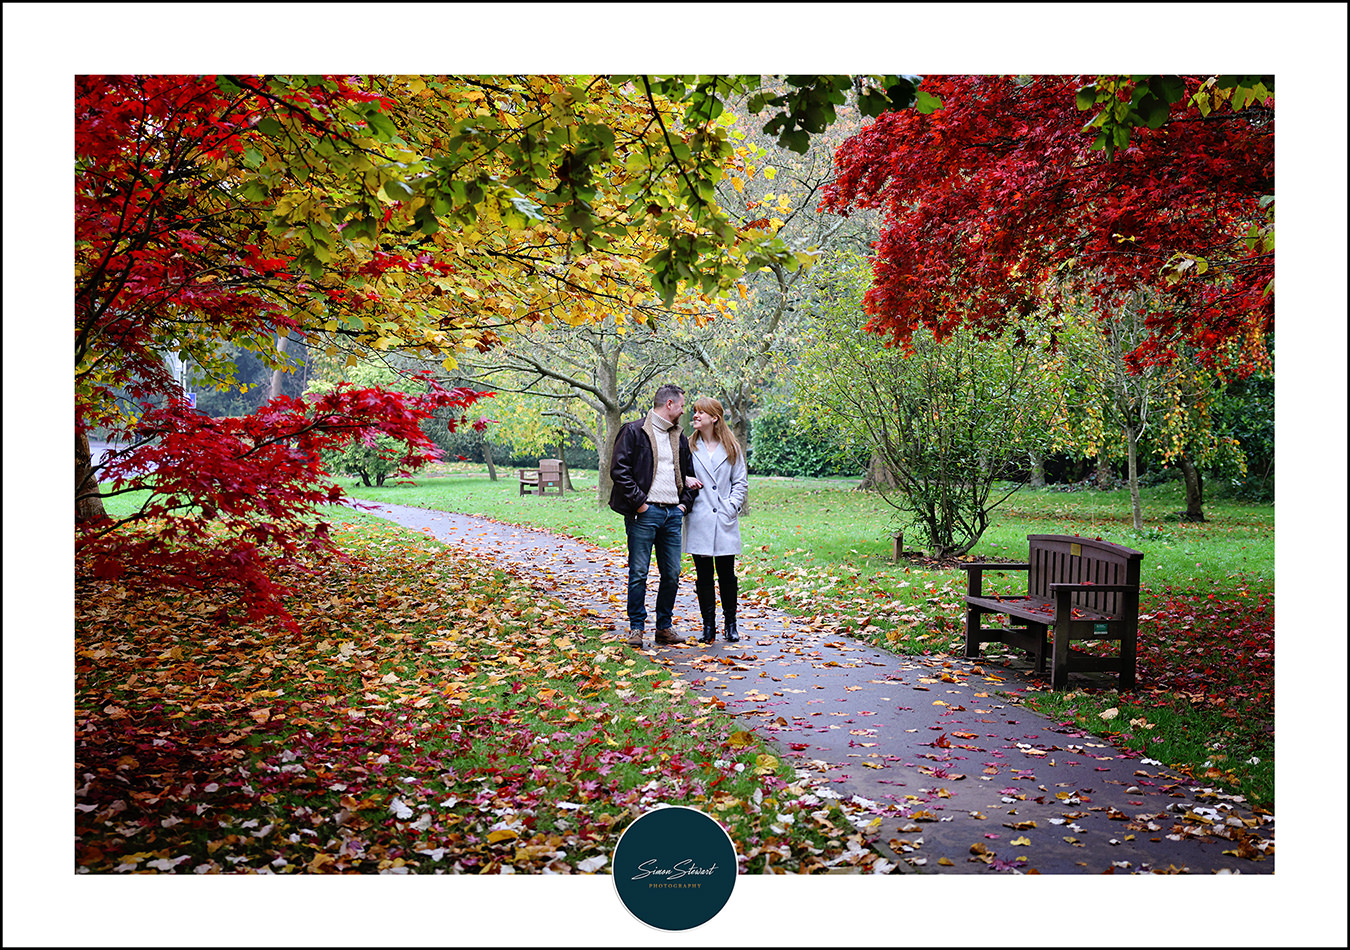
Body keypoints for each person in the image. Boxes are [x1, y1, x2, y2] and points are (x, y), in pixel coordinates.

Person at [608, 384, 702, 649]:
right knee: (639, 572)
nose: (685, 410)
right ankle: (636, 628)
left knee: (672, 573)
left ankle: (663, 627)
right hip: (644, 513)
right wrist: (641, 505)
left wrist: (683, 506)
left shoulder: (679, 437)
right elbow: (620, 471)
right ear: (669, 404)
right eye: (682, 405)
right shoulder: (634, 431)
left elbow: (686, 472)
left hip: (672, 513)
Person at [683, 397, 749, 644]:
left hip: (723, 517)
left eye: (701, 412)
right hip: (699, 517)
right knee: (703, 576)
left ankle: (730, 624)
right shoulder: (688, 446)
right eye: (694, 412)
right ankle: (708, 626)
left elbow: (740, 482)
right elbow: (681, 476)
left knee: (727, 574)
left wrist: (731, 507)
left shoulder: (731, 447)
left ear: (715, 418)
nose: (696, 416)